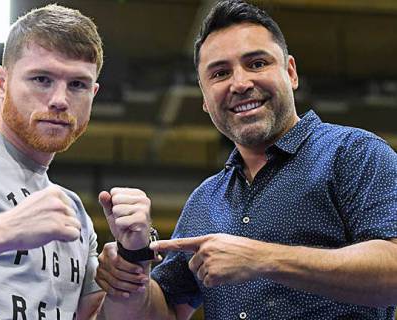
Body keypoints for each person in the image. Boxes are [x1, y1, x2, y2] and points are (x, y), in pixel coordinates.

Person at [95, 0, 397, 319]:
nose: (240, 83)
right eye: (220, 73)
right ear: (204, 99)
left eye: (256, 64)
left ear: (290, 72)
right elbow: (165, 312)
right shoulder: (205, 200)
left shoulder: (354, 153)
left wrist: (263, 259)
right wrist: (133, 260)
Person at [0, 4, 107, 319]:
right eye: (42, 79)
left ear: (93, 93)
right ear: (1, 82)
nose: (60, 99)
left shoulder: (75, 211)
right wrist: (5, 229)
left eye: (77, 85)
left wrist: (132, 263)